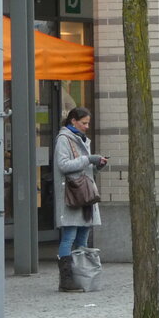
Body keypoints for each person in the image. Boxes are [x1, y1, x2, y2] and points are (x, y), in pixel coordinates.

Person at [53, 107, 108, 292]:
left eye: (88, 123)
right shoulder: (64, 139)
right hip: (73, 196)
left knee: (84, 235)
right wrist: (88, 159)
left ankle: (82, 276)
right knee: (69, 236)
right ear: (73, 121)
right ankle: (66, 280)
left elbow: (84, 167)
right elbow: (63, 165)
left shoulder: (81, 139)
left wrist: (97, 164)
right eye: (84, 123)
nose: (86, 127)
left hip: (85, 195)